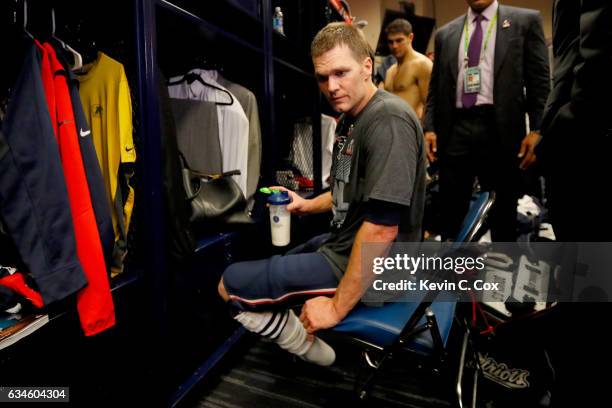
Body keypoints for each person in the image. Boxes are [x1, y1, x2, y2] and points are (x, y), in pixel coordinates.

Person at [217, 22, 426, 366]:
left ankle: (304, 343)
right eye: (322, 77)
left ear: (367, 67)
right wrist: (306, 204)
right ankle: (300, 329)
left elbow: (382, 229)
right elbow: (344, 189)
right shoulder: (348, 120)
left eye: (341, 73)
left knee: (229, 285)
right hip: (341, 243)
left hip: (383, 268)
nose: (331, 87)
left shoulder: (389, 120)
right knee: (281, 265)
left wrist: (335, 307)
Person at [423, 0, 550, 241]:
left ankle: (501, 271)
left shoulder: (524, 21)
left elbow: (540, 82)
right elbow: (435, 87)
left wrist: (537, 128)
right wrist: (429, 127)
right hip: (455, 130)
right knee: (450, 212)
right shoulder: (445, 34)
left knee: (503, 214)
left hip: (500, 128)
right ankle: (453, 271)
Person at [382, 19, 433, 118]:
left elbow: (430, 105)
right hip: (390, 128)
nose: (395, 46)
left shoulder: (422, 64)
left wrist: (424, 131)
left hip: (412, 128)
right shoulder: (390, 71)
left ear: (410, 37)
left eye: (399, 40)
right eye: (390, 42)